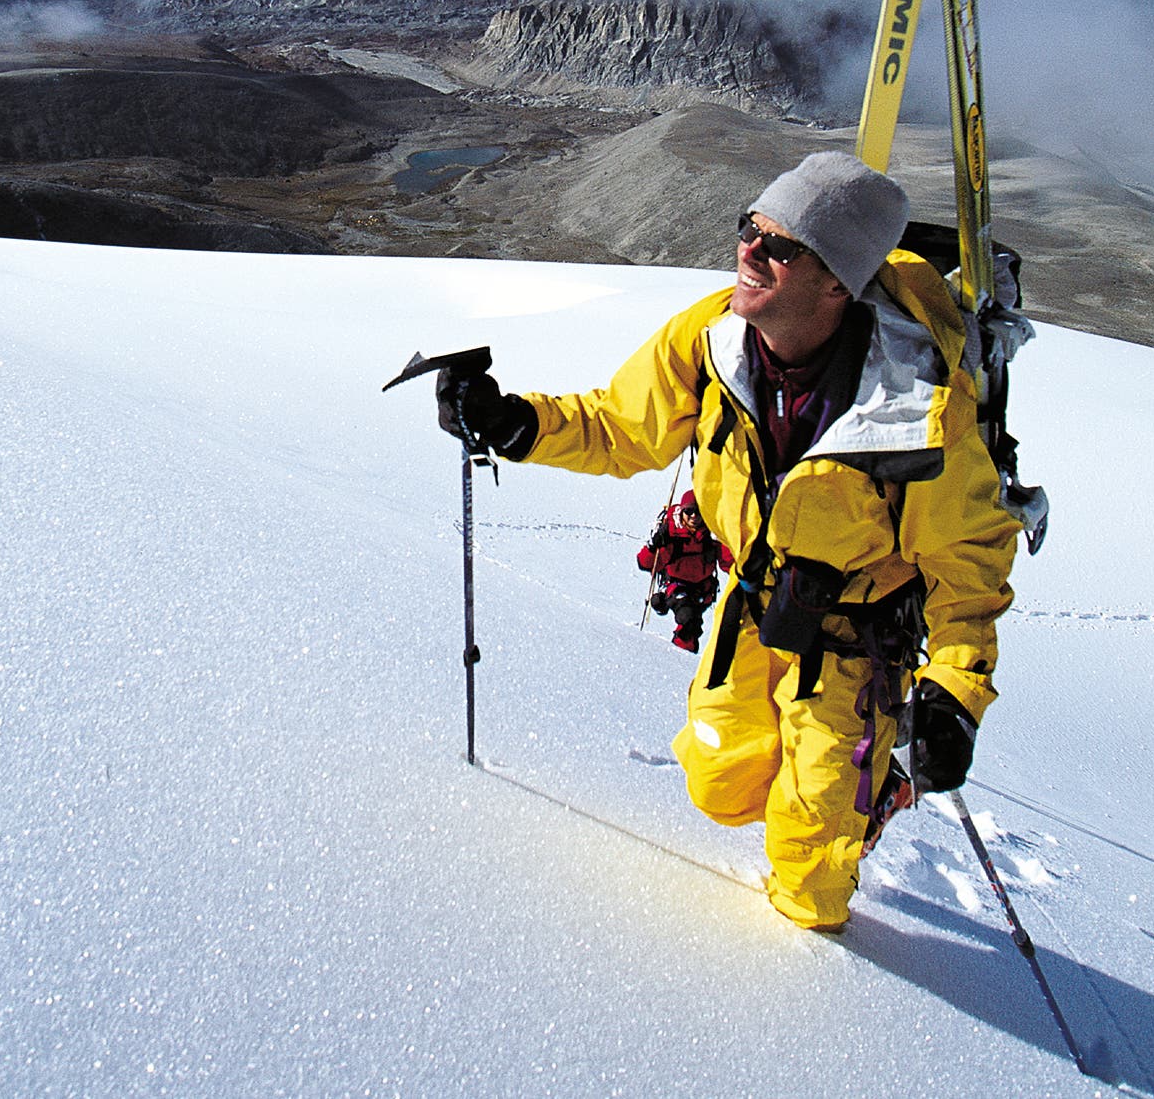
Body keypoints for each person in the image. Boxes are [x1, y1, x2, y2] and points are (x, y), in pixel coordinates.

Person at [434, 151, 1021, 932]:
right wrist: (515, 423)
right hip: (753, 614)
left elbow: (969, 568)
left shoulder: (918, 411)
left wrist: (953, 694)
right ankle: (843, 792)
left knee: (810, 873)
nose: (749, 250)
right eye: (751, 227)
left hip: (853, 647)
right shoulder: (713, 338)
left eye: (782, 246)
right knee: (720, 784)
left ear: (836, 285)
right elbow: (623, 425)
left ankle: (854, 829)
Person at [638, 490, 733, 653]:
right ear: (682, 512)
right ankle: (678, 657)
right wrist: (653, 546)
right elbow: (646, 564)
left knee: (692, 625)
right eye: (689, 511)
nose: (694, 516)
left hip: (703, 590)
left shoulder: (711, 534)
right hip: (676, 586)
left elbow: (729, 562)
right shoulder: (670, 533)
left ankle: (683, 656)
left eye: (698, 511)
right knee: (688, 619)